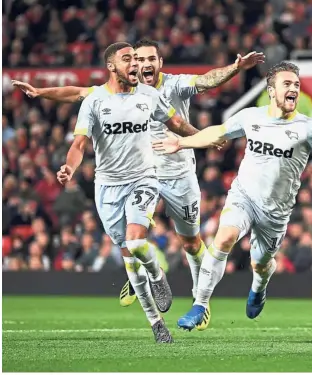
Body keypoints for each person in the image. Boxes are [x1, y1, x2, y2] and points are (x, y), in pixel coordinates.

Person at [12, 39, 265, 330]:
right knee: (131, 239)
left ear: (160, 63)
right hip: (141, 174)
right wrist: (41, 92)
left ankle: (200, 300)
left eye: (148, 59)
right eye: (137, 59)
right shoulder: (112, 94)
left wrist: (234, 69)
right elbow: (78, 94)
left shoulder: (174, 86)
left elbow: (207, 81)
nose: (142, 64)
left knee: (191, 241)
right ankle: (141, 278)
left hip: (178, 173)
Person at [152, 61, 312, 331]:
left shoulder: (309, 129)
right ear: (271, 90)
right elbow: (217, 132)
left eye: (297, 85)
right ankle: (200, 305)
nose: (294, 89)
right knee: (224, 237)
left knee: (260, 264)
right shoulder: (251, 117)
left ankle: (259, 286)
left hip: (276, 212)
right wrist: (181, 142)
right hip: (244, 197)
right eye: (287, 84)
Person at [56, 41, 206, 343]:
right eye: (128, 60)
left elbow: (176, 123)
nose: (135, 65)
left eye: (137, 61)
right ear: (112, 66)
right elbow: (80, 144)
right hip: (108, 186)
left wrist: (204, 137)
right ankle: (155, 323)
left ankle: (156, 274)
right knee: (127, 256)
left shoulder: (150, 96)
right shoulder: (95, 101)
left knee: (138, 243)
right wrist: (69, 168)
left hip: (144, 179)